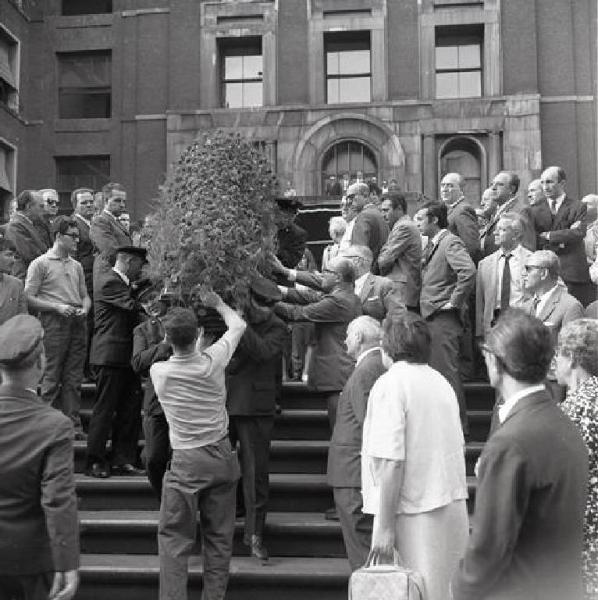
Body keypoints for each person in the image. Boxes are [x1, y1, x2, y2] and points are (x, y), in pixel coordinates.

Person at [452, 309, 589, 600]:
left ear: (494, 361)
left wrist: (461, 588)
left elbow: (488, 549)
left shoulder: (511, 443)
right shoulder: (563, 422)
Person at [363, 312, 468, 600]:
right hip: (448, 505)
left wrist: (384, 528)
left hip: (411, 511)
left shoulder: (390, 385)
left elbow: (390, 461)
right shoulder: (442, 383)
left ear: (387, 346)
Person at [150, 295, 245, 600]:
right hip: (221, 455)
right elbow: (238, 324)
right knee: (219, 539)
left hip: (186, 460)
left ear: (167, 338)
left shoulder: (159, 373)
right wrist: (217, 303)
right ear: (200, 336)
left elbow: (167, 351)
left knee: (175, 540)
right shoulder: (213, 361)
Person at [0, 315, 79, 600]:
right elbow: (58, 499)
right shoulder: (54, 425)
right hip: (29, 561)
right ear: (41, 362)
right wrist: (67, 561)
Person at [226, 276, 287, 561]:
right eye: (263, 304)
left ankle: (255, 534)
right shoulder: (229, 315)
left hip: (256, 405)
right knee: (218, 470)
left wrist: (239, 324)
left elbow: (263, 353)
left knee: (255, 474)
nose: (268, 310)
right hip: (224, 402)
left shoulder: (277, 327)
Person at [274, 256, 362, 428]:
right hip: (339, 373)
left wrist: (266, 297)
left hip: (338, 375)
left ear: (338, 277)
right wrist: (279, 288)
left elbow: (296, 313)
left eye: (326, 272)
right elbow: (309, 296)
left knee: (339, 431)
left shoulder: (338, 301)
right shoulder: (344, 296)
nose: (322, 275)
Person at [25, 216, 91, 439]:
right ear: (58, 237)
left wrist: (85, 308)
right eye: (72, 236)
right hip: (54, 321)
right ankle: (46, 425)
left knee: (74, 377)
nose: (77, 240)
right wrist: (56, 307)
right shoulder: (41, 263)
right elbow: (29, 298)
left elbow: (85, 295)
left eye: (78, 236)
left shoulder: (77, 266)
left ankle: (73, 425)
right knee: (51, 375)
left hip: (77, 320)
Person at [328, 315, 385, 571]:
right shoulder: (371, 366)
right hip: (352, 471)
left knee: (361, 555)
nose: (345, 340)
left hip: (353, 474)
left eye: (349, 335)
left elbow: (369, 426)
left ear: (359, 338)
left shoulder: (368, 370)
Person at [86, 246, 147, 478]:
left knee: (129, 410)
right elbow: (132, 306)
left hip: (126, 357)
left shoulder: (122, 284)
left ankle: (124, 458)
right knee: (104, 409)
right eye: (140, 265)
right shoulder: (110, 281)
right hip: (109, 355)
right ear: (129, 262)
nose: (141, 271)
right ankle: (94, 460)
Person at [415, 201, 476, 433]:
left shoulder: (450, 241)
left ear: (434, 220)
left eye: (421, 218)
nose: (417, 223)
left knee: (447, 374)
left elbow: (468, 272)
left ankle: (459, 430)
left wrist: (454, 302)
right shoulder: (434, 244)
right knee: (439, 373)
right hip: (432, 316)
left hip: (443, 318)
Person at [556, 319, 598, 600]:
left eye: (558, 353)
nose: (554, 360)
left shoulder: (572, 410)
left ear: (571, 358)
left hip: (584, 537)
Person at [131, 288, 172, 500]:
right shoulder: (142, 330)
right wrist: (164, 346)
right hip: (155, 401)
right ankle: (164, 497)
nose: (150, 304)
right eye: (145, 302)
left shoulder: (182, 320)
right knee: (154, 457)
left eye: (153, 297)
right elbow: (138, 362)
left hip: (183, 398)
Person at [535, 166, 593, 306]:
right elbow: (534, 237)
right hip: (545, 273)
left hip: (573, 274)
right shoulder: (535, 209)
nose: (545, 186)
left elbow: (578, 233)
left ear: (562, 183)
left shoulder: (578, 207)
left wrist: (548, 235)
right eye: (542, 182)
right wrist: (565, 234)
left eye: (549, 182)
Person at [475, 213, 532, 338]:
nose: (495, 233)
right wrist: (479, 332)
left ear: (516, 234)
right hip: (494, 324)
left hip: (522, 322)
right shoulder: (484, 264)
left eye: (502, 230)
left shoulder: (532, 260)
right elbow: (480, 302)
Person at [377, 192, 422, 310]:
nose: (383, 215)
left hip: (402, 292)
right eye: (381, 211)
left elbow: (384, 260)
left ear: (399, 209)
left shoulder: (403, 227)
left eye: (386, 210)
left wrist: (383, 251)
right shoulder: (400, 226)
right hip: (403, 290)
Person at [480, 171, 535, 255]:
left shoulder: (521, 211)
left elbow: (527, 245)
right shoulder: (496, 211)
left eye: (500, 184)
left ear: (511, 189)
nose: (493, 188)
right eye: (492, 184)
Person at [72, 188, 96, 377]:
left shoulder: (92, 223)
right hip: (83, 279)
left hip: (94, 279)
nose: (89, 205)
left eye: (91, 202)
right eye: (84, 203)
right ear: (75, 206)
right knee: (85, 324)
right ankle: (83, 367)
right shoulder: (74, 224)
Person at [4, 190, 49, 280]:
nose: (44, 210)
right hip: (25, 278)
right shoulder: (16, 225)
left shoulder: (36, 224)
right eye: (41, 206)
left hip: (37, 276)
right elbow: (29, 253)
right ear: (29, 206)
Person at [346, 182, 389, 270]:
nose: (348, 202)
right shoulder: (378, 214)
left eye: (352, 197)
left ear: (365, 196)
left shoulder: (364, 216)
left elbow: (358, 253)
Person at [440, 172, 481, 262]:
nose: (445, 189)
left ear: (461, 190)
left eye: (450, 186)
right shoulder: (450, 209)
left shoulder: (463, 210)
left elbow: (471, 246)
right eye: (443, 185)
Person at [0, 233, 27, 325]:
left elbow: (23, 319)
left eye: (15, 256)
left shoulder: (17, 284)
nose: (13, 260)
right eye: (8, 255)